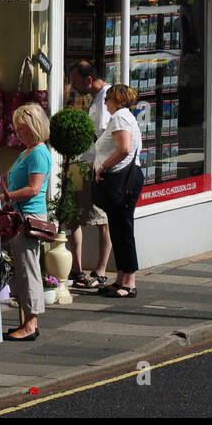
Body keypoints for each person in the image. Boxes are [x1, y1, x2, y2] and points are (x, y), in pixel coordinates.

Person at [0, 103, 52, 341]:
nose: (17, 133)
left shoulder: (39, 152)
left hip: (28, 218)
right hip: (18, 217)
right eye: (16, 128)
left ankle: (31, 324)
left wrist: (5, 197)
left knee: (28, 270)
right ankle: (26, 320)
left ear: (34, 127)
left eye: (22, 129)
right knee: (21, 269)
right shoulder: (26, 151)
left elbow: (34, 189)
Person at [91, 84, 143, 298]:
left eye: (108, 99)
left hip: (122, 180)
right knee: (119, 229)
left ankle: (129, 283)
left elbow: (124, 149)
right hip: (123, 180)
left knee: (123, 230)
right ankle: (121, 278)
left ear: (116, 99)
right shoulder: (122, 117)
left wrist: (104, 166)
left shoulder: (121, 117)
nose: (105, 102)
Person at [67, 60, 113, 289]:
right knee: (74, 214)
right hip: (81, 162)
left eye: (75, 82)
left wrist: (98, 166)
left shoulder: (105, 99)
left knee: (101, 219)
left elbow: (105, 136)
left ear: (88, 80)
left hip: (93, 167)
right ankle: (76, 269)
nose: (73, 87)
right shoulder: (96, 97)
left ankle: (101, 271)